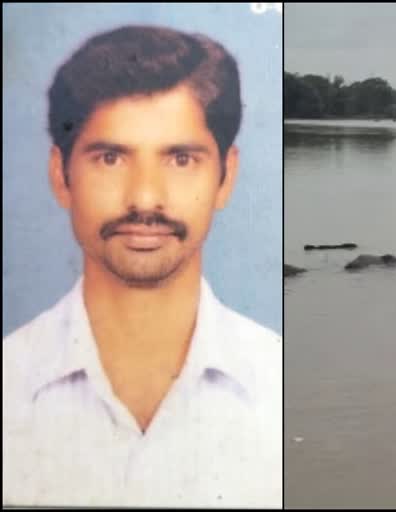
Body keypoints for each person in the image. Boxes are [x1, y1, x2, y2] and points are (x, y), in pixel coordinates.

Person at [2, 25, 281, 508]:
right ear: (60, 175)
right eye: (110, 157)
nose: (145, 198)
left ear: (225, 176)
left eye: (180, 159)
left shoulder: (279, 386)